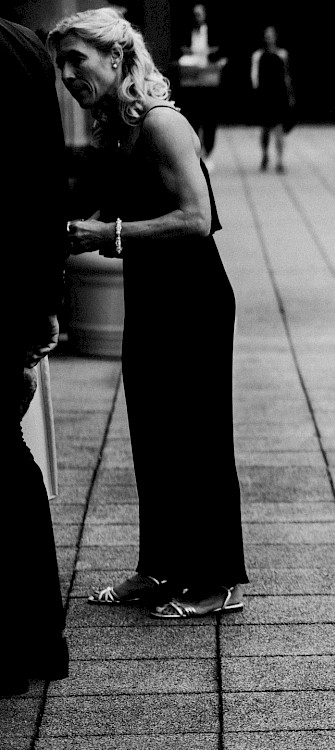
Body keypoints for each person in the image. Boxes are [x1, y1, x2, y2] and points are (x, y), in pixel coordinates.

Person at [49, 7, 248, 619]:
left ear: (115, 57)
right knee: (154, 434)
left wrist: (107, 234)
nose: (67, 74)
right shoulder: (118, 127)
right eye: (60, 64)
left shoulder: (162, 123)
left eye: (76, 59)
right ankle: (160, 567)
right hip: (154, 294)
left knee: (198, 436)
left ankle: (217, 581)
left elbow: (196, 217)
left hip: (193, 298)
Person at [1, 15, 70, 695]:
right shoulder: (22, 45)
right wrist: (46, 294)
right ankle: (31, 641)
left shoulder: (14, 48)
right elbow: (46, 180)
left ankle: (27, 643)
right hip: (14, 295)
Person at [176, 3, 227, 171]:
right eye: (194, 14)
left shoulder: (213, 32)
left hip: (209, 80)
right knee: (193, 118)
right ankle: (195, 152)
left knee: (210, 118)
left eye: (199, 14)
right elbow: (180, 51)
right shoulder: (186, 32)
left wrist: (218, 63)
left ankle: (209, 152)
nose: (196, 17)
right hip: (191, 82)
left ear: (205, 15)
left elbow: (222, 53)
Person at [250, 25, 294, 173]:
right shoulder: (257, 56)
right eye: (266, 34)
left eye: (271, 35)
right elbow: (254, 76)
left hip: (279, 94)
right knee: (265, 129)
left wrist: (290, 94)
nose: (269, 37)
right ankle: (265, 154)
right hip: (265, 94)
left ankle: (280, 160)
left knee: (279, 128)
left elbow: (286, 75)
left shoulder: (282, 54)